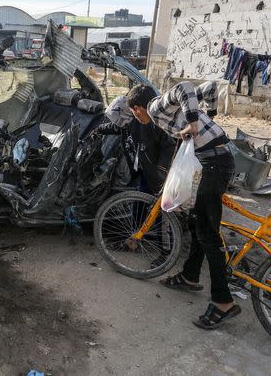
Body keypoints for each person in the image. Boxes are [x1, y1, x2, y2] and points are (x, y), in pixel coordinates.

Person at [126, 80, 240, 330]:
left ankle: (223, 302)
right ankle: (190, 275)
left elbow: (185, 87)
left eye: (134, 113)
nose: (137, 117)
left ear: (137, 108)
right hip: (215, 159)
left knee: (208, 234)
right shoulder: (168, 110)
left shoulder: (155, 108)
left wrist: (194, 122)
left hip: (214, 164)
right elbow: (210, 87)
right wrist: (209, 112)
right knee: (196, 222)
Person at [94, 95, 175, 195]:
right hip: (141, 167)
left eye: (119, 119)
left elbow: (168, 145)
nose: (120, 123)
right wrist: (99, 130)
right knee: (142, 196)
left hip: (154, 170)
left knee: (148, 195)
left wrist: (162, 169)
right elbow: (114, 127)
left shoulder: (145, 123)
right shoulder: (125, 123)